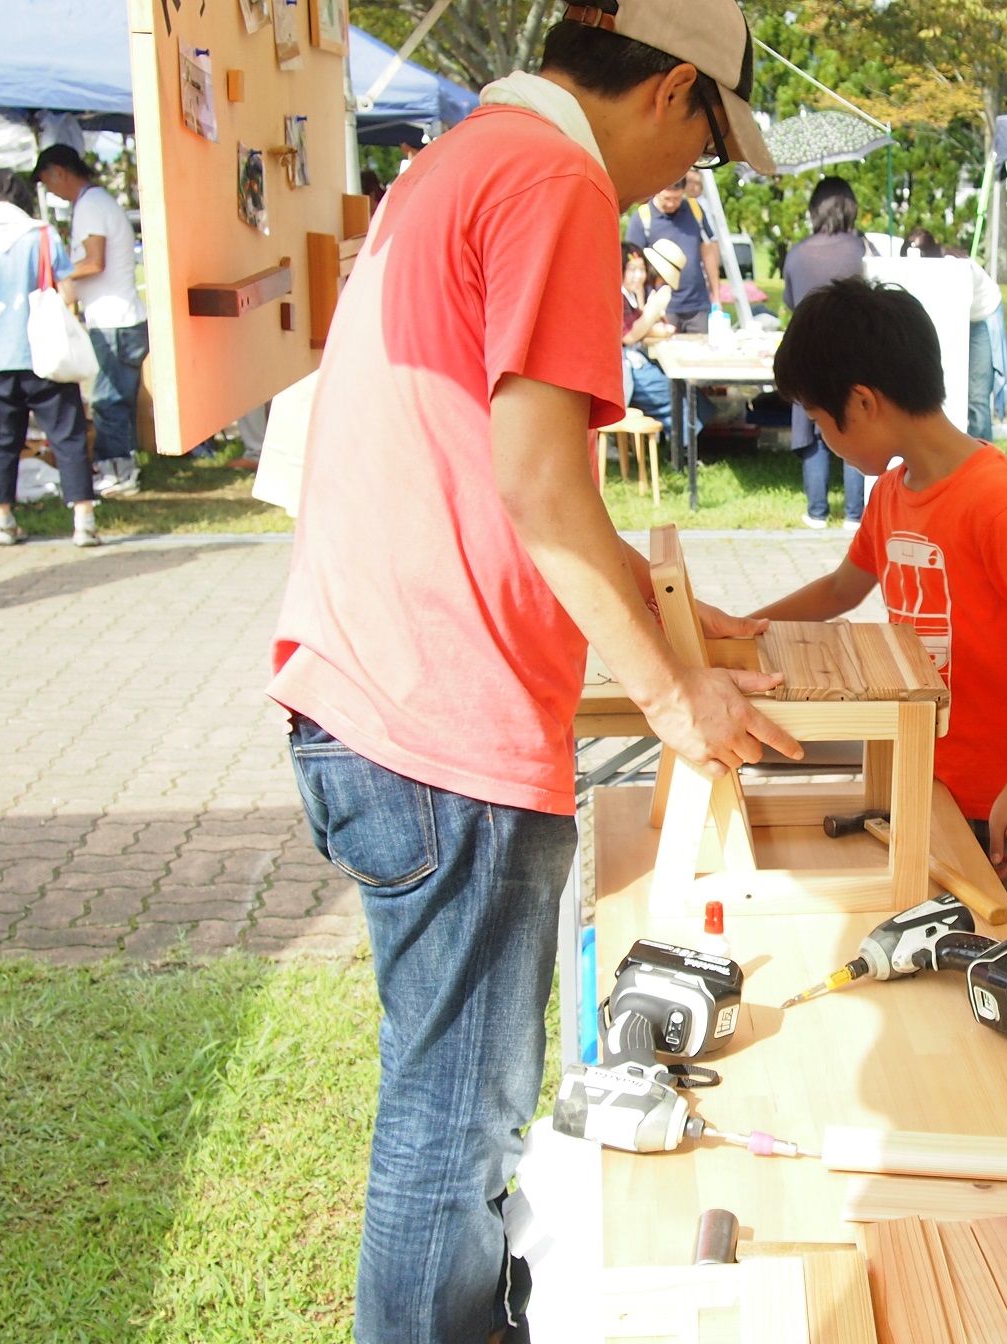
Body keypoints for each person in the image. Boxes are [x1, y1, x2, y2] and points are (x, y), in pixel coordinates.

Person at [266, 4, 797, 1341]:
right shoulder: (559, 183)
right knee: (456, 1122)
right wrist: (678, 701)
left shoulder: (471, 155)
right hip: (438, 718)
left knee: (446, 1099)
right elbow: (544, 495)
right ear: (672, 89)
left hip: (371, 691)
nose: (685, 182)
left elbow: (537, 486)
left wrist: (668, 619)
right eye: (703, 147)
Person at [752, 277, 1007, 931]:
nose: (824, 440)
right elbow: (840, 589)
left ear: (863, 402)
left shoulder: (998, 503)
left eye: (824, 424)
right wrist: (749, 627)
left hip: (1003, 797)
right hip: (925, 784)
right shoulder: (892, 494)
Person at [0, 169, 99, 547]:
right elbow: (67, 292)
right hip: (46, 356)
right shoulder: (42, 235)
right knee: (67, 436)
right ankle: (83, 519)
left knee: (0, 440)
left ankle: (3, 521)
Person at [34, 143, 148, 498]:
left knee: (108, 399)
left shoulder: (89, 206)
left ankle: (118, 470)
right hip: (120, 316)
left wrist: (56, 274)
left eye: (48, 183)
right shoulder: (98, 202)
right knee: (117, 397)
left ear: (59, 172)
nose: (52, 191)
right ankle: (123, 465)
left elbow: (94, 261)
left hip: (113, 320)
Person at [780, 176, 869, 528]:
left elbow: (789, 301)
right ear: (851, 209)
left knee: (813, 428)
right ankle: (854, 514)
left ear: (814, 210)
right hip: (855, 354)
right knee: (855, 427)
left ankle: (816, 512)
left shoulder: (797, 253)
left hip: (808, 352)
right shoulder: (864, 251)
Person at [902, 225, 1004, 442]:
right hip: (956, 319)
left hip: (981, 318)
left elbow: (952, 314)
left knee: (976, 395)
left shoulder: (957, 269)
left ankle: (982, 454)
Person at [626, 177, 719, 333]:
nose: (671, 203)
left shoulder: (694, 210)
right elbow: (634, 266)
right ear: (656, 193)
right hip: (661, 307)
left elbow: (708, 251)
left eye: (676, 198)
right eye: (666, 198)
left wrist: (716, 295)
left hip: (697, 305)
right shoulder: (642, 218)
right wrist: (642, 309)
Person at [621, 240, 676, 435]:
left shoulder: (632, 296)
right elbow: (629, 336)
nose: (638, 276)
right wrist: (653, 310)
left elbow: (643, 327)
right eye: (631, 270)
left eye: (641, 269)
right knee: (672, 392)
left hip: (636, 361)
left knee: (677, 386)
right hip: (625, 370)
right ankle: (688, 445)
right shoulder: (618, 296)